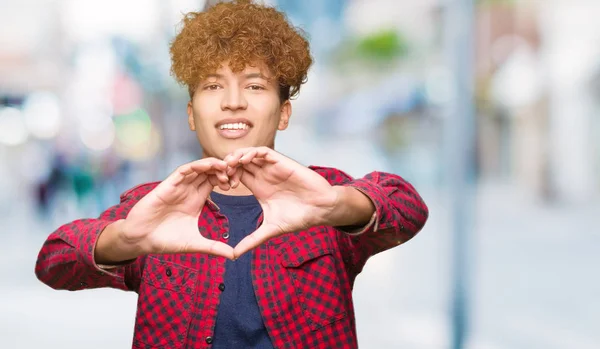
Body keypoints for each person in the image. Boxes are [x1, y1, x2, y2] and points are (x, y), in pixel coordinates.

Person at [35, 1, 429, 348]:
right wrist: (126, 239)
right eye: (212, 86)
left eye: (255, 85)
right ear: (192, 114)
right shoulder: (155, 205)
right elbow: (54, 260)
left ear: (284, 112)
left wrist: (337, 205)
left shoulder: (322, 195)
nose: (234, 102)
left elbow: (408, 207)